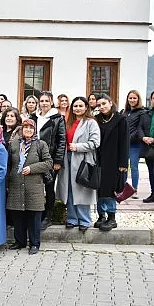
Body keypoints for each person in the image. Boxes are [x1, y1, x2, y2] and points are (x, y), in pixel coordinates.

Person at [6, 119, 53, 255]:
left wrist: (32, 168)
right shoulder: (14, 144)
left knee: (34, 215)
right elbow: (9, 164)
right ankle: (19, 242)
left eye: (30, 128)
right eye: (25, 127)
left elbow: (49, 162)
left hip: (34, 186)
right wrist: (7, 182)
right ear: (21, 129)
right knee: (18, 215)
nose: (28, 130)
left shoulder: (41, 144)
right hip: (15, 184)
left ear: (34, 130)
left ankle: (34, 243)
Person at [55, 97, 100, 231]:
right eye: (75, 106)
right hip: (67, 159)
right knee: (68, 188)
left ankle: (84, 220)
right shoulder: (68, 122)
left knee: (81, 189)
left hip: (82, 159)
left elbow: (95, 142)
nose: (78, 108)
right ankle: (72, 218)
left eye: (80, 106)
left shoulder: (91, 122)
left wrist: (78, 147)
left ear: (86, 107)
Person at [30, 91, 66, 231]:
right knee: (36, 186)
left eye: (47, 101)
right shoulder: (34, 117)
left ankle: (48, 216)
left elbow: (61, 140)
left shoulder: (57, 118)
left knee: (49, 187)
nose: (44, 103)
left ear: (51, 102)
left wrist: (58, 160)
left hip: (49, 158)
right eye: (42, 100)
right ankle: (36, 214)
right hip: (34, 157)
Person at [95, 94, 129, 231]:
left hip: (114, 160)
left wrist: (123, 164)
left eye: (104, 104)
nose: (102, 107)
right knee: (98, 188)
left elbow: (124, 142)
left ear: (110, 103)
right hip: (99, 160)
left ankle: (111, 217)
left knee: (110, 189)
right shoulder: (96, 119)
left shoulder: (120, 120)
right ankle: (100, 215)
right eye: (99, 105)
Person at [121, 90, 146, 199]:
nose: (132, 100)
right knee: (123, 166)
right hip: (123, 144)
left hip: (134, 144)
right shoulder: (124, 112)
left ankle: (134, 189)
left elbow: (139, 128)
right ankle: (123, 188)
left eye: (134, 98)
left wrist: (129, 138)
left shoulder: (142, 112)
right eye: (130, 98)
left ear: (138, 99)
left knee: (134, 167)